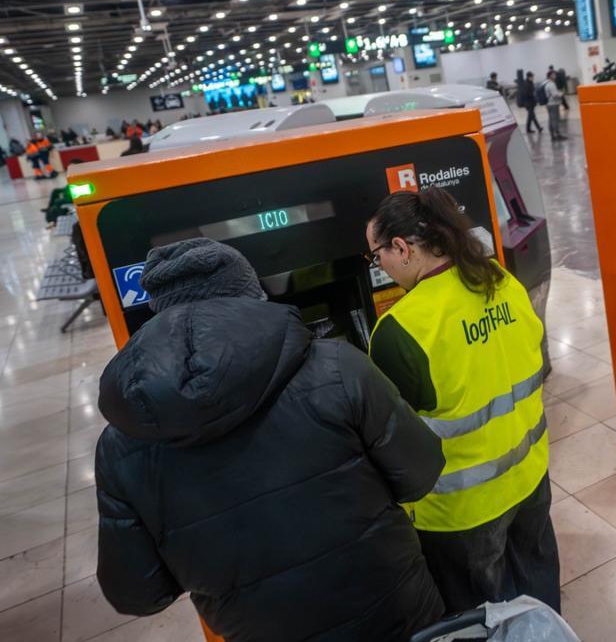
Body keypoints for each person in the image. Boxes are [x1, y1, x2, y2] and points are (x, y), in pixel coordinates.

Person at [94, 239, 446, 641]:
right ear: (252, 293)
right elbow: (421, 474)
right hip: (396, 614)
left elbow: (138, 593)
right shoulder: (339, 367)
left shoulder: (122, 444)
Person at [366, 187, 559, 613]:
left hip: (462, 510)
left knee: (483, 614)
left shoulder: (401, 330)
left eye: (376, 254)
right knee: (537, 589)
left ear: (401, 248)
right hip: (529, 476)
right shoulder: (501, 281)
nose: (378, 264)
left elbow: (390, 440)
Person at [541, 71, 567, 142]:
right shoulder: (551, 84)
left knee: (551, 119)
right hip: (553, 104)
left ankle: (552, 135)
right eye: (554, 75)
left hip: (548, 104)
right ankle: (557, 135)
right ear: (551, 76)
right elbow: (555, 94)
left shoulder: (544, 83)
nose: (555, 76)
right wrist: (562, 93)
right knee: (555, 120)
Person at [516, 69, 541, 134]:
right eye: (532, 77)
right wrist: (532, 94)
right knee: (533, 116)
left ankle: (528, 129)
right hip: (528, 103)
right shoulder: (526, 84)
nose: (533, 78)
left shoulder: (530, 83)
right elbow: (526, 94)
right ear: (529, 77)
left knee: (530, 117)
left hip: (531, 102)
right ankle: (539, 128)